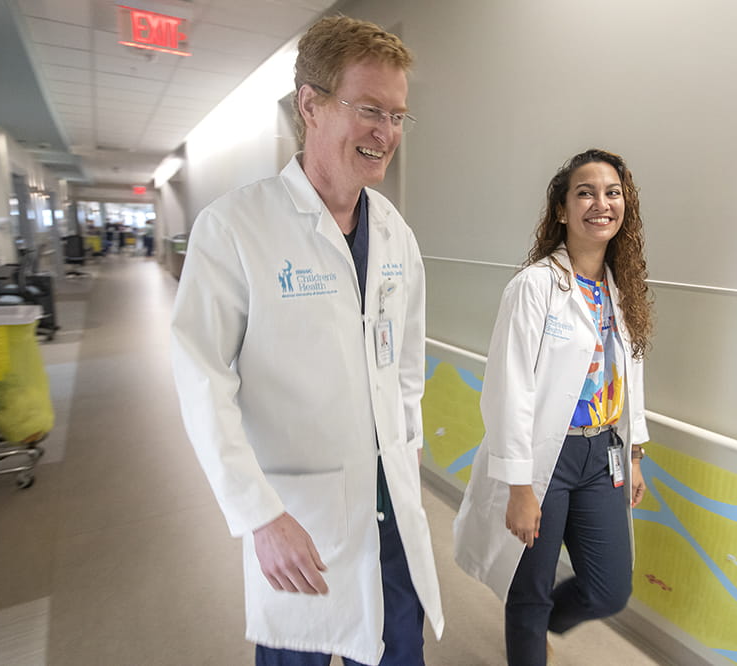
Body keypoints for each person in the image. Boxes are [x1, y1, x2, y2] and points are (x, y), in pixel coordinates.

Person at [170, 15, 443, 666]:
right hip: (299, 521)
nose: (387, 132)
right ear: (311, 105)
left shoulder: (396, 235)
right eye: (370, 109)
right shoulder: (235, 229)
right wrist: (259, 516)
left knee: (399, 651)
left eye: (399, 115)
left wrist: (405, 450)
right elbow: (201, 378)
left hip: (392, 517)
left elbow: (405, 365)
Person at [452, 149, 652, 666]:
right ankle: (529, 631)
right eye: (585, 192)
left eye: (612, 193)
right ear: (562, 210)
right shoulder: (533, 287)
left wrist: (633, 455)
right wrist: (520, 486)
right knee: (530, 589)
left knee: (610, 589)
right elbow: (507, 389)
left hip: (603, 452)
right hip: (546, 457)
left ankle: (540, 625)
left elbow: (629, 373)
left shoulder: (620, 291)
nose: (601, 203)